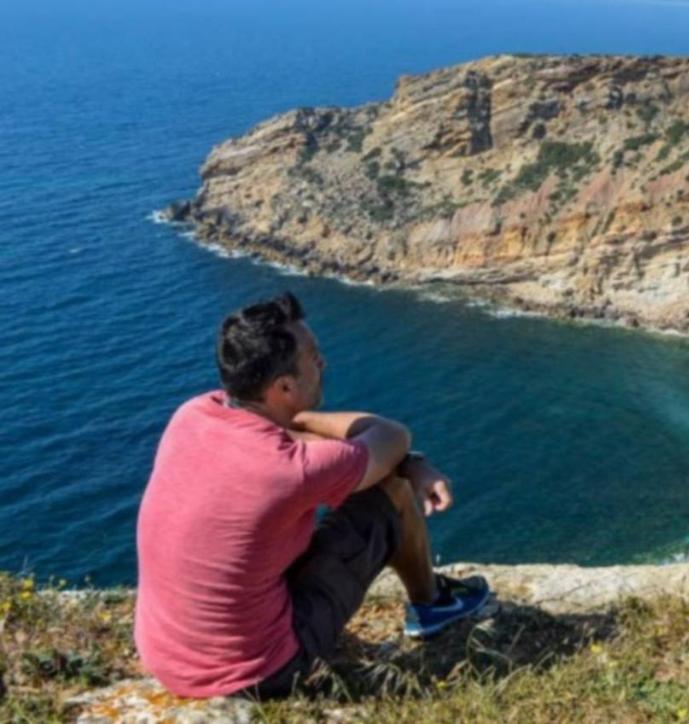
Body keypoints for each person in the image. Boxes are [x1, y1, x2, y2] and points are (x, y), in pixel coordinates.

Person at [134, 291, 491, 699]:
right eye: (313, 356)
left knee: (378, 473)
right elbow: (391, 436)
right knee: (389, 490)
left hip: (167, 656)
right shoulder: (290, 469)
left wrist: (292, 415)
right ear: (283, 386)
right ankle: (433, 605)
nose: (323, 363)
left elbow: (286, 434)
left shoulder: (194, 414)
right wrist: (407, 464)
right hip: (262, 672)